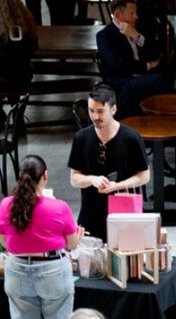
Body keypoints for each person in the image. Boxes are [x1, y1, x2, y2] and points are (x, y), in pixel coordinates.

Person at [0, 155, 83, 319]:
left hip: (17, 271)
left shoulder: (6, 205)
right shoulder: (58, 207)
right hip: (53, 271)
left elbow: (4, 241)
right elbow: (71, 243)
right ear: (45, 176)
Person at [67, 84, 149, 242]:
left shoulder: (131, 138)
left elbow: (144, 176)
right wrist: (92, 179)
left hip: (124, 214)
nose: (95, 116)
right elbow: (74, 178)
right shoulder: (81, 138)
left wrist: (118, 185)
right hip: (90, 215)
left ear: (113, 110)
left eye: (100, 111)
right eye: (91, 111)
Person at [95, 0, 166, 116]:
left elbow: (156, 53)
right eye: (132, 13)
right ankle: (172, 121)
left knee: (167, 72)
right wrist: (146, 66)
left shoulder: (135, 29)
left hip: (140, 78)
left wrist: (136, 36)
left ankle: (168, 119)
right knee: (160, 79)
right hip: (122, 85)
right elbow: (119, 65)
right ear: (118, 15)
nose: (136, 17)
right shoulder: (105, 36)